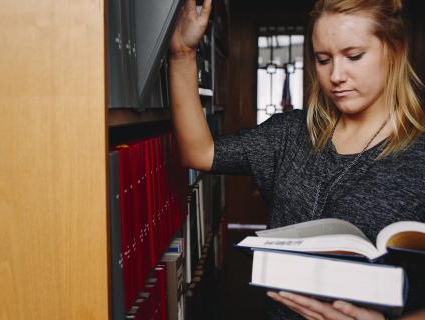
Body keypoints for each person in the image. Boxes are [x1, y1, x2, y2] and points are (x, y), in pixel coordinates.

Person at [169, 0, 425, 319]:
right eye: (323, 59)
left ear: (395, 50)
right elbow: (199, 152)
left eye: (354, 56)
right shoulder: (291, 134)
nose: (336, 75)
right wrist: (182, 54)